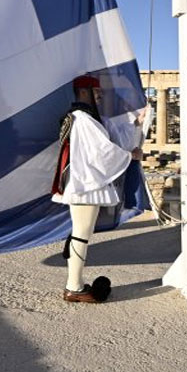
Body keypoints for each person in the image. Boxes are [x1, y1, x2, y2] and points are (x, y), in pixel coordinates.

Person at [50, 75, 145, 303]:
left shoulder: (88, 118)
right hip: (86, 183)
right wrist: (130, 155)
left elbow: (111, 137)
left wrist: (136, 126)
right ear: (84, 92)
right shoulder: (82, 119)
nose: (101, 97)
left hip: (85, 181)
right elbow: (101, 151)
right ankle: (74, 287)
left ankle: (75, 283)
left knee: (80, 233)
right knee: (81, 234)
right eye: (97, 92)